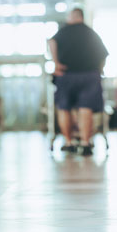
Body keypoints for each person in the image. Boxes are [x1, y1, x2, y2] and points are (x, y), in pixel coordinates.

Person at [48, 8, 109, 156]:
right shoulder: (90, 33)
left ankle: (69, 142)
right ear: (82, 17)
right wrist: (99, 69)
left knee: (64, 108)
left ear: (72, 16)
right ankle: (85, 143)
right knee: (86, 108)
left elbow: (51, 42)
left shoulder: (63, 31)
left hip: (66, 74)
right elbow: (104, 54)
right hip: (89, 75)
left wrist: (55, 63)